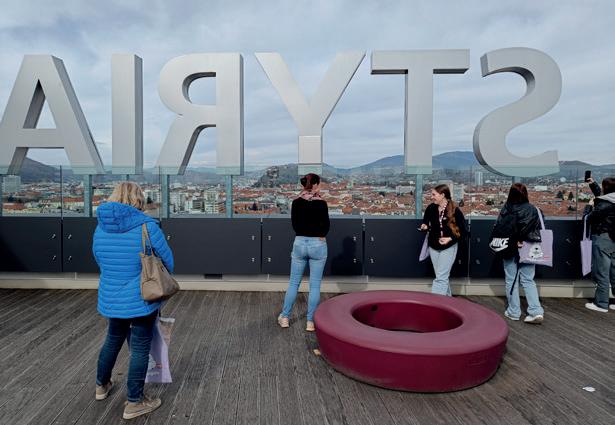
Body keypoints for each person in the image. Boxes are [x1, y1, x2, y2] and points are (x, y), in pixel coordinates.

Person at [92, 182, 174, 420]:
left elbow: (98, 258)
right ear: (138, 198)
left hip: (111, 296)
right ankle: (135, 402)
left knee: (112, 339)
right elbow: (168, 262)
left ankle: (101, 385)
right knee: (139, 347)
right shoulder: (148, 226)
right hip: (142, 297)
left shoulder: (100, 227)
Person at [278, 173, 330, 332]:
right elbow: (326, 227)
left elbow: (295, 226)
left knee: (294, 283)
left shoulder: (296, 202)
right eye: (320, 183)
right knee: (315, 285)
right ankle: (310, 322)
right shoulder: (322, 204)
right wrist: (319, 234)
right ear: (315, 184)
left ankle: (285, 317)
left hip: (300, 243)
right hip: (318, 245)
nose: (321, 185)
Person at [491, 183, 544, 324]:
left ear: (510, 194)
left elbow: (501, 228)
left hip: (510, 247)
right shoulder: (533, 209)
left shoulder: (507, 209)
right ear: (525, 194)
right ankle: (536, 311)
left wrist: (515, 240)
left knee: (511, 280)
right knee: (528, 280)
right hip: (529, 247)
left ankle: (514, 312)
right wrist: (523, 239)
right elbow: (536, 227)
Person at [420, 184, 466, 296]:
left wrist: (449, 238)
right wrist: (424, 226)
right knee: (441, 277)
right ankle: (448, 301)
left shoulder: (455, 210)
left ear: (442, 195)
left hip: (448, 247)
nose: (432, 197)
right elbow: (425, 221)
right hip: (433, 246)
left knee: (441, 278)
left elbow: (463, 231)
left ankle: (435, 303)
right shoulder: (431, 208)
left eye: (434, 195)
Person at [584, 177, 615, 312]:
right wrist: (593, 184)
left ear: (605, 188)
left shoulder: (604, 204)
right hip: (614, 238)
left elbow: (588, 219)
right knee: (614, 271)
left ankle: (601, 304)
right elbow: (605, 197)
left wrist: (589, 206)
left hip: (603, 238)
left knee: (602, 272)